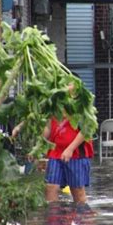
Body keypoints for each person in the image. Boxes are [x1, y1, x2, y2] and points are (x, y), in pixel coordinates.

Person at [43, 76, 94, 204]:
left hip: (76, 153)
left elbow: (86, 130)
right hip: (56, 152)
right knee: (50, 187)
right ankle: (54, 219)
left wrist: (70, 149)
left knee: (77, 190)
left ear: (77, 86)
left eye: (68, 84)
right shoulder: (54, 103)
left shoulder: (82, 104)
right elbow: (49, 127)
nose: (65, 87)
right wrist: (40, 143)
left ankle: (81, 219)